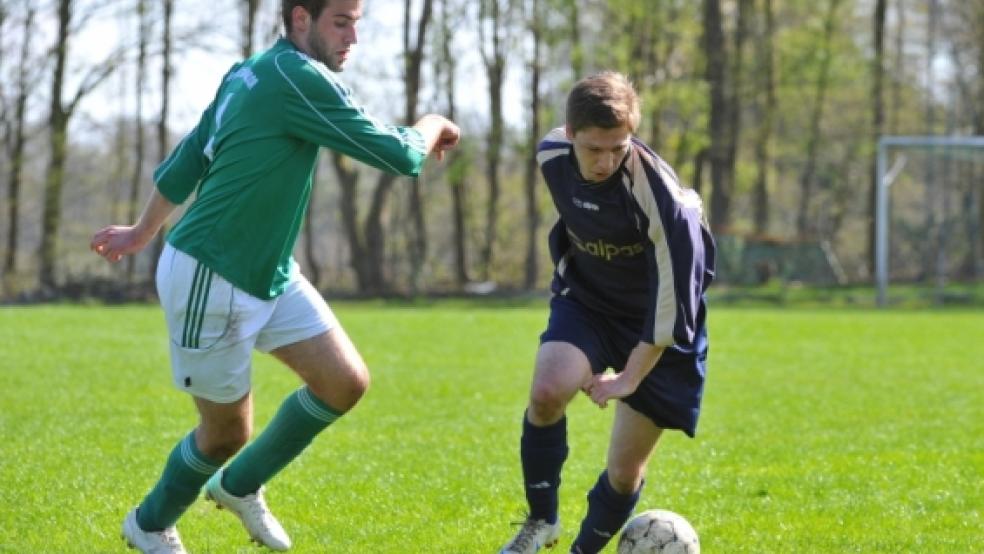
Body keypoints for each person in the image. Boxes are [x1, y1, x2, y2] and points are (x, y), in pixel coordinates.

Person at [91, 1, 460, 552]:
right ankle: (148, 522)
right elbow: (399, 155)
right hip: (209, 276)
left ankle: (240, 487)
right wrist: (433, 123)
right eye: (341, 21)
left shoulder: (254, 70)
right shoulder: (295, 77)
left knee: (344, 383)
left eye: (358, 22)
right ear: (301, 18)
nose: (353, 36)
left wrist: (142, 233)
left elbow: (190, 157)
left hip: (267, 270)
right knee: (225, 434)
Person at [498, 72, 714, 554]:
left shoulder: (663, 202)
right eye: (595, 148)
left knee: (623, 472)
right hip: (590, 303)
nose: (606, 161)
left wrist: (630, 378)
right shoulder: (552, 157)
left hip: (659, 329)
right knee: (547, 389)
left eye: (618, 147)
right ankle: (540, 522)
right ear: (571, 133)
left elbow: (675, 302)